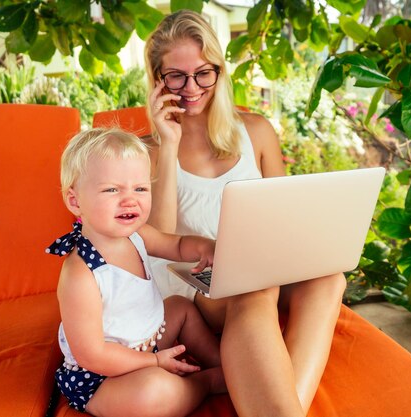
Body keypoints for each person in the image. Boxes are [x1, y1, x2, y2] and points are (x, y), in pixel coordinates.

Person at [144, 10, 347, 417]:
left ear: (219, 71)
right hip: (194, 283)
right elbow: (161, 241)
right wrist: (168, 144)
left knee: (329, 278)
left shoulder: (255, 131)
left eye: (204, 73)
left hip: (260, 267)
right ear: (157, 80)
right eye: (176, 76)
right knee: (253, 288)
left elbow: (285, 213)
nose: (192, 88)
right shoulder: (146, 151)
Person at [46, 127, 226, 417]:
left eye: (140, 188)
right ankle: (204, 383)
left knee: (181, 308)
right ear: (75, 201)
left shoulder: (138, 234)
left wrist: (205, 247)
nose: (130, 200)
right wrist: (154, 364)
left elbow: (177, 245)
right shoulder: (81, 274)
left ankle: (225, 364)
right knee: (153, 393)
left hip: (149, 341)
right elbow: (92, 355)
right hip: (103, 376)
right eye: (112, 189)